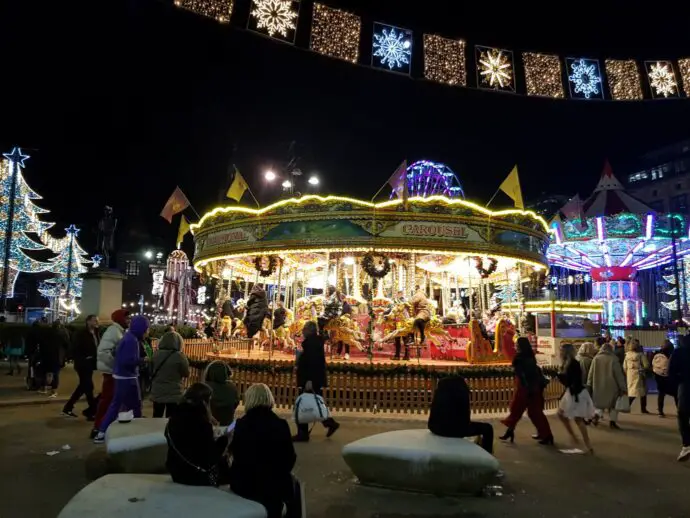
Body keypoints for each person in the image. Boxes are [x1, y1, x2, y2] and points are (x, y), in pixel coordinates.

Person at [230, 383, 301, 518]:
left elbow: (236, 454)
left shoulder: (241, 424)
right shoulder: (281, 424)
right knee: (294, 488)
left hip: (245, 484)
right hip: (273, 485)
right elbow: (290, 457)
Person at [93, 315, 149, 444]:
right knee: (130, 405)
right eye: (146, 328)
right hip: (127, 377)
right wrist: (142, 361)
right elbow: (126, 361)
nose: (148, 331)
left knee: (122, 405)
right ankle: (134, 432)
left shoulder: (129, 337)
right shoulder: (132, 340)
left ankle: (102, 432)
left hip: (123, 376)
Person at [165, 383, 233, 486]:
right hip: (195, 475)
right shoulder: (201, 423)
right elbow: (210, 458)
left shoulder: (174, 417)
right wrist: (225, 439)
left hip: (176, 471)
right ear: (203, 402)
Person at [499, 337, 553, 444]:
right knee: (534, 412)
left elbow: (521, 375)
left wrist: (526, 388)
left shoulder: (519, 358)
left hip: (525, 388)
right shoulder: (530, 356)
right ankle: (546, 434)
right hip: (534, 387)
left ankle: (511, 432)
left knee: (516, 410)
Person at [293, 321, 340, 442]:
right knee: (315, 402)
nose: (302, 331)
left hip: (310, 379)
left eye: (304, 329)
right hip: (313, 378)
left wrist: (309, 379)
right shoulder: (313, 342)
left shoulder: (312, 344)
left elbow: (313, 362)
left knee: (305, 403)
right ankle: (330, 423)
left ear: (310, 330)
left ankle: (303, 433)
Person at [428, 375, 494, 454]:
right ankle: (487, 454)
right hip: (456, 430)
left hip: (435, 428)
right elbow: (465, 419)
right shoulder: (461, 394)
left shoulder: (439, 394)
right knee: (488, 428)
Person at [92, 309, 130, 439]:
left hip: (114, 372)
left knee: (113, 401)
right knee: (108, 400)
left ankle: (106, 426)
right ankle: (99, 427)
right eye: (126, 318)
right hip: (111, 373)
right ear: (120, 319)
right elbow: (103, 352)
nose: (128, 321)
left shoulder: (119, 331)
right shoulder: (113, 331)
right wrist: (117, 365)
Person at [556, 343, 595, 454]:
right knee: (561, 414)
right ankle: (575, 437)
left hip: (577, 393)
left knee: (578, 419)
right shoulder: (565, 363)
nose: (560, 352)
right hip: (571, 392)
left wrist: (562, 377)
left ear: (567, 352)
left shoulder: (574, 363)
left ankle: (587, 443)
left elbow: (575, 380)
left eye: (562, 350)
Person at [62, 315, 100, 419]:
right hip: (82, 363)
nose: (97, 322)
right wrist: (84, 357)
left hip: (90, 363)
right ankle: (92, 411)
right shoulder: (81, 333)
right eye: (94, 320)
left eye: (97, 320)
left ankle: (68, 408)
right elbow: (75, 348)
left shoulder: (96, 332)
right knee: (88, 387)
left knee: (84, 386)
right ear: (88, 322)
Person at [150, 331, 190, 418]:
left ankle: (155, 431)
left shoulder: (156, 355)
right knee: (171, 418)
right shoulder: (180, 357)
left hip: (158, 391)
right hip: (174, 392)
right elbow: (186, 373)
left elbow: (151, 370)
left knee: (156, 416)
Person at [587, 342, 627, 429]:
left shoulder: (596, 359)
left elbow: (590, 374)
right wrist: (623, 387)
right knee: (613, 406)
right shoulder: (614, 359)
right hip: (612, 387)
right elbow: (618, 375)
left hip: (598, 386)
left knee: (599, 404)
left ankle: (596, 416)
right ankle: (612, 422)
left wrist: (589, 384)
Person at [668, 334, 690, 461]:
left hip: (685, 386)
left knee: (683, 415)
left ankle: (686, 445)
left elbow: (671, 372)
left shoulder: (679, 352)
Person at [203, 360, 240, 426]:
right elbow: (236, 403)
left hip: (207, 426)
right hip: (228, 425)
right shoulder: (232, 387)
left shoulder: (204, 387)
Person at [624, 339, 650, 414]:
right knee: (643, 392)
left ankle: (627, 406)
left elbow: (624, 367)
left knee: (632, 392)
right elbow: (646, 365)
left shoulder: (627, 355)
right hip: (639, 374)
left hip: (630, 375)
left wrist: (627, 373)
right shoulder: (640, 355)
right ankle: (643, 408)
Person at [38, 322, 64, 397]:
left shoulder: (44, 336)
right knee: (55, 374)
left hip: (46, 357)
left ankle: (45, 388)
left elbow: (41, 347)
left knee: (46, 372)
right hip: (56, 357)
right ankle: (53, 390)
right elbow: (66, 344)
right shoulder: (59, 335)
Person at [653, 340, 677, 417]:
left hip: (658, 376)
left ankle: (660, 411)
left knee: (661, 394)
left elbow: (653, 364)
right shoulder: (671, 354)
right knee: (676, 394)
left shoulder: (657, 354)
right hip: (668, 376)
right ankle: (679, 410)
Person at [336, 294, 352, 359]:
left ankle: (347, 353)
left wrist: (342, 317)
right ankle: (338, 353)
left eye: (342, 298)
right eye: (340, 299)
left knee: (346, 339)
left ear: (345, 298)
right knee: (339, 339)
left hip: (345, 324)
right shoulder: (338, 306)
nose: (341, 300)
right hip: (339, 324)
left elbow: (349, 315)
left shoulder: (347, 306)